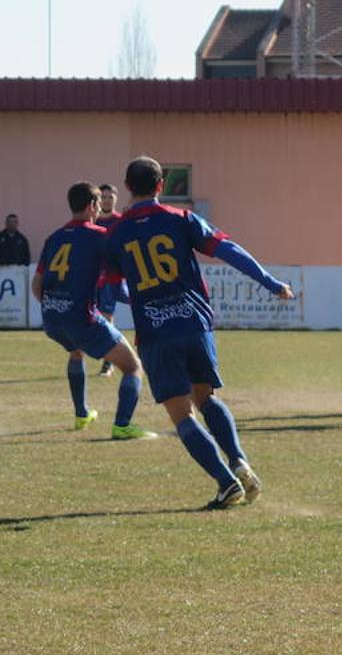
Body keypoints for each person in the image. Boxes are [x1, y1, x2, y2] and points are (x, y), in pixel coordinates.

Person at [105, 156, 293, 509]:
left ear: (128, 188)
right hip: (195, 324)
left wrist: (141, 303)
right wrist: (270, 282)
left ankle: (227, 483)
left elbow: (113, 287)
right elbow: (229, 250)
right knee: (206, 398)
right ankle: (239, 462)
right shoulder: (182, 219)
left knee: (182, 414)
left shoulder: (116, 233)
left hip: (157, 333)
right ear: (161, 186)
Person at [32, 181, 154, 439]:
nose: (100, 209)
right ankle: (122, 426)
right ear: (91, 206)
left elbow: (37, 284)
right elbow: (119, 287)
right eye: (98, 204)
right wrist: (139, 299)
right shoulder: (101, 237)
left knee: (76, 352)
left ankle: (81, 414)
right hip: (81, 317)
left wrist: (56, 307)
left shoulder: (54, 238)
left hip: (52, 319)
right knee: (132, 367)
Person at [94, 183, 125, 377]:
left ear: (115, 199)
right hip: (91, 277)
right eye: (103, 197)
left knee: (107, 317)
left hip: (110, 277)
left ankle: (109, 362)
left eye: (109, 197)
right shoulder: (92, 220)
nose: (106, 200)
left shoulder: (121, 222)